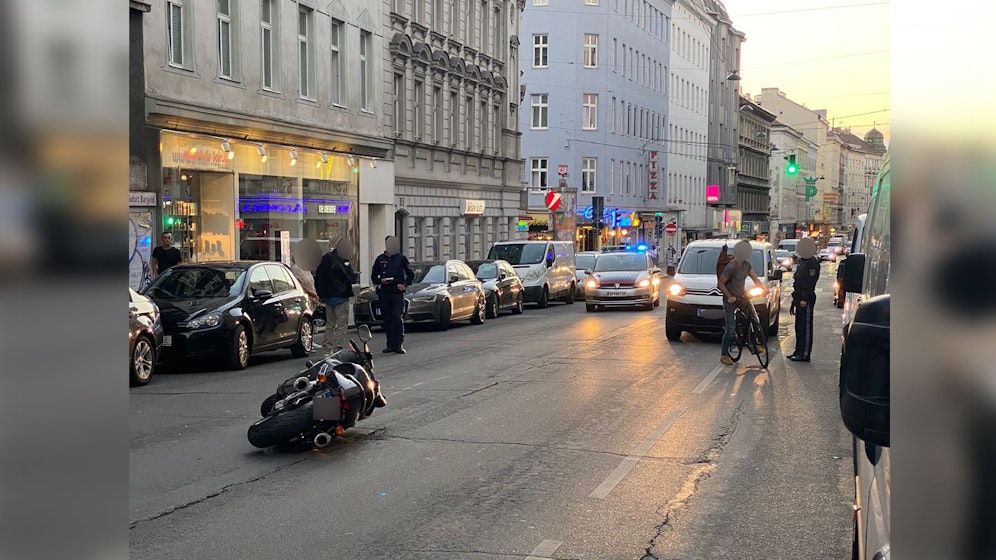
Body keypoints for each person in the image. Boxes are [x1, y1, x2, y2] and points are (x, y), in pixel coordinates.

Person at [717, 240, 766, 365]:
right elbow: (721, 283)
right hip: (730, 300)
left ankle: (751, 343)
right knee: (731, 328)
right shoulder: (731, 266)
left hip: (741, 297)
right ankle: (724, 354)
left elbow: (755, 278)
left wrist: (764, 289)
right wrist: (729, 297)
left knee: (753, 319)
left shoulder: (747, 265)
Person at [315, 239, 359, 356]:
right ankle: (337, 349)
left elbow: (318, 277)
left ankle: (326, 349)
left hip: (328, 296)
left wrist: (321, 294)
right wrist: (355, 274)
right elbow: (351, 277)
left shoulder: (324, 258)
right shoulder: (343, 259)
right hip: (341, 295)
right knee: (341, 325)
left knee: (330, 324)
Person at [371, 236, 414, 354]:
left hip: (397, 293)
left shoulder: (401, 258)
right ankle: (390, 343)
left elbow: (410, 274)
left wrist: (404, 285)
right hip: (384, 293)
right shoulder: (380, 259)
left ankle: (398, 343)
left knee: (397, 317)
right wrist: (380, 281)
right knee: (387, 318)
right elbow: (374, 276)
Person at [788, 237, 820, 362]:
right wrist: (794, 299)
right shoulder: (802, 262)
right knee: (799, 327)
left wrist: (804, 298)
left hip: (806, 297)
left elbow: (810, 282)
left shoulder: (812, 263)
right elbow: (797, 280)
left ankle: (805, 354)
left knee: (805, 328)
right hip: (798, 296)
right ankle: (798, 351)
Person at [289, 239, 322, 310]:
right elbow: (300, 285)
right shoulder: (296, 268)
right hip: (306, 299)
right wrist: (313, 294)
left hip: (313, 299)